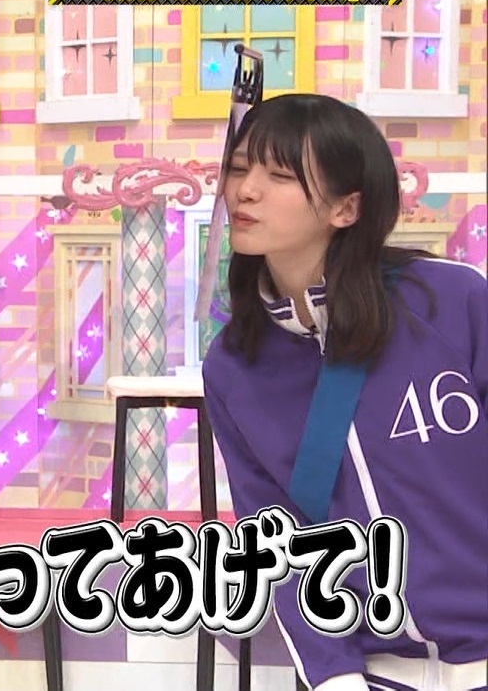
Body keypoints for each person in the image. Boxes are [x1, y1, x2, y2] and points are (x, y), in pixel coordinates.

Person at [201, 94, 487, 691]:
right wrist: (334, 677)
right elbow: (275, 542)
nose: (245, 191)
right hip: (375, 678)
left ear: (346, 207)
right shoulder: (232, 365)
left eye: (280, 175)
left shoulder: (455, 301)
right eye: (240, 168)